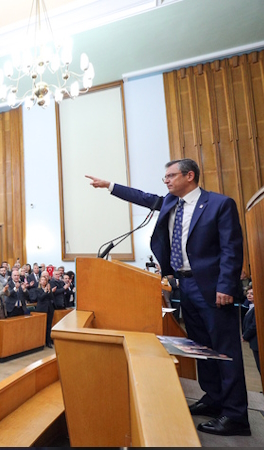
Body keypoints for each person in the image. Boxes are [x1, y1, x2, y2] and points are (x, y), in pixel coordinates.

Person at [87, 158, 248, 436]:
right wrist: (109, 186)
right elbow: (143, 197)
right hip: (184, 286)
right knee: (202, 348)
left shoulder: (219, 204)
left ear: (190, 176)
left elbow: (231, 249)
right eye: (165, 177)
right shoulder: (171, 203)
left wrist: (225, 286)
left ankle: (235, 415)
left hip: (212, 288)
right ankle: (214, 399)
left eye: (171, 176)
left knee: (225, 350)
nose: (166, 181)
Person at [31, 274, 55, 348]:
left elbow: (52, 297)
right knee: (41, 326)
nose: (44, 281)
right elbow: (40, 298)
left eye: (45, 280)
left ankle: (48, 342)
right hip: (41, 309)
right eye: (42, 280)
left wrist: (49, 291)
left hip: (49, 309)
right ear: (40, 282)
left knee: (49, 325)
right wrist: (45, 292)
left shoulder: (48, 288)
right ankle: (41, 342)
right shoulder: (37, 290)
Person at [242, 287, 259, 374]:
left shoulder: (258, 308)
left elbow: (254, 325)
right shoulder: (251, 307)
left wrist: (245, 336)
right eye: (248, 293)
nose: (249, 295)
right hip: (253, 342)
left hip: (257, 342)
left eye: (252, 294)